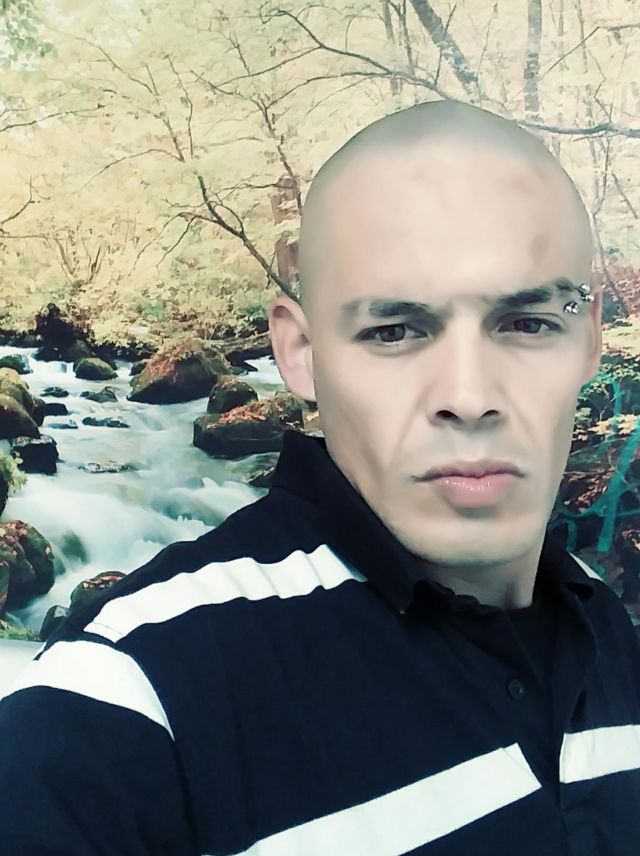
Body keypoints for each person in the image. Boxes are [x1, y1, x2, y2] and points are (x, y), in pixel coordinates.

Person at [0, 99, 638, 855]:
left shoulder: (606, 627)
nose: (469, 397)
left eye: (528, 323)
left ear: (589, 338)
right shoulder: (135, 697)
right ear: (299, 355)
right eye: (393, 331)